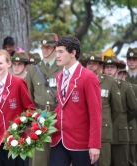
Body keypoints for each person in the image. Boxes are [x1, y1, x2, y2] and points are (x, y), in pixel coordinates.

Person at [49, 36, 102, 166]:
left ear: (73, 53)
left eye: (61, 52)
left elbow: (96, 113)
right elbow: (61, 106)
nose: (57, 55)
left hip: (81, 142)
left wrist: (95, 145)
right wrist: (44, 120)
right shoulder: (59, 76)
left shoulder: (89, 77)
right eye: (56, 52)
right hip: (59, 139)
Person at [0, 49, 35, 166]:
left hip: (17, 143)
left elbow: (30, 110)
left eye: (0, 63)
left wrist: (20, 126)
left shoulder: (18, 83)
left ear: (8, 64)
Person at [25, 33, 61, 166]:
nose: (45, 50)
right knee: (39, 158)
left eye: (48, 47)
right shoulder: (34, 69)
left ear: (55, 48)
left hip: (59, 117)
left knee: (60, 156)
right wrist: (31, 120)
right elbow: (27, 97)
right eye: (43, 47)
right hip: (39, 118)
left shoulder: (63, 68)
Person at [83, 51, 122, 166]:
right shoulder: (78, 81)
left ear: (101, 66)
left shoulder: (109, 82)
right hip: (82, 132)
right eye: (88, 63)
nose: (90, 65)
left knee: (102, 163)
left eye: (94, 63)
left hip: (102, 133)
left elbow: (117, 109)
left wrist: (105, 122)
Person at [103, 56, 137, 166]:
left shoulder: (125, 87)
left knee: (121, 162)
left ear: (118, 70)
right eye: (107, 67)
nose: (109, 70)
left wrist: (123, 121)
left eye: (112, 67)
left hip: (120, 133)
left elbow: (133, 109)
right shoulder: (98, 85)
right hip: (103, 134)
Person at [117, 60, 137, 166]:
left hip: (129, 127)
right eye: (119, 72)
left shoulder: (128, 87)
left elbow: (133, 109)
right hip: (116, 131)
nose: (119, 75)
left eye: (122, 73)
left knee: (130, 160)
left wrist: (124, 120)